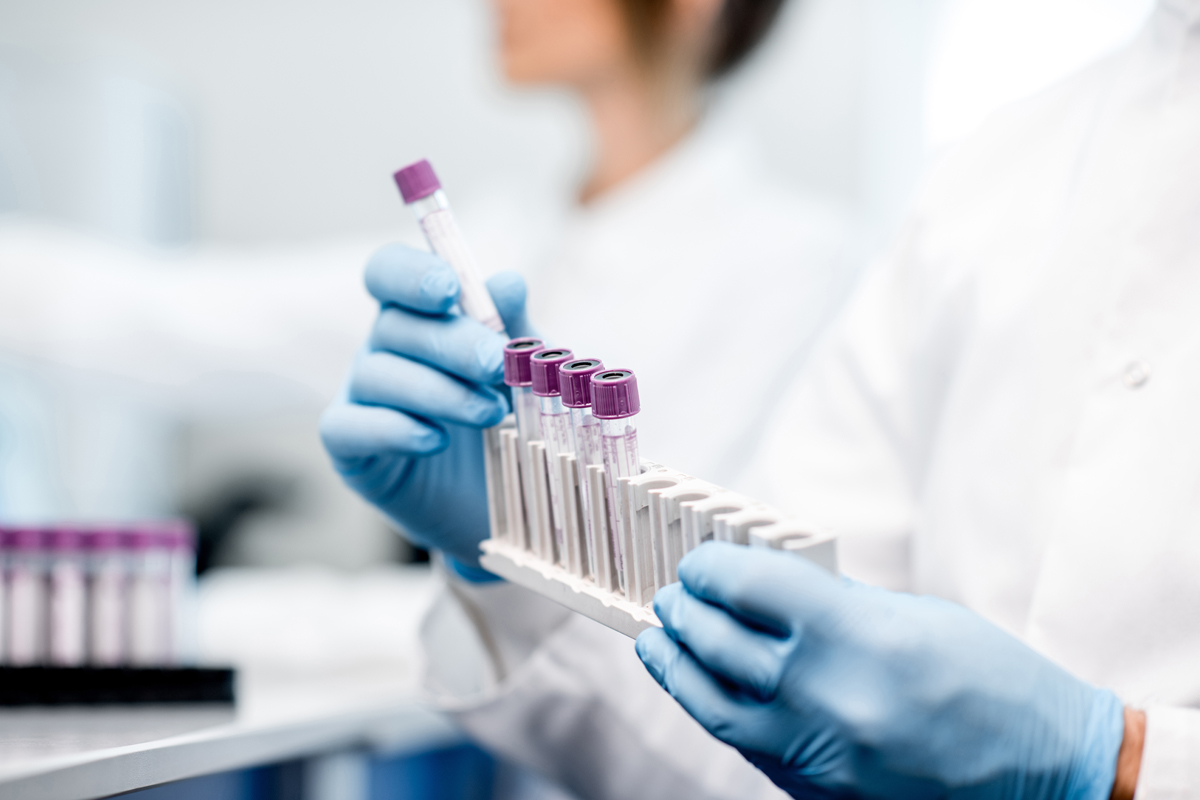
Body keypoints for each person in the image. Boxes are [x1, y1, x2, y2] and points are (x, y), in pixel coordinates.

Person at [322, 1, 1200, 799]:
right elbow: (739, 728)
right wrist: (512, 554)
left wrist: (1125, 762)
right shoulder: (986, 184)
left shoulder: (793, 260)